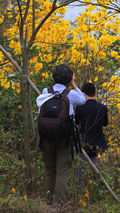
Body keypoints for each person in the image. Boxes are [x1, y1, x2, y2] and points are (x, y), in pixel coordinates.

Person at [35, 64, 85, 208]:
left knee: (49, 170)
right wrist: (74, 83)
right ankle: (60, 205)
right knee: (62, 170)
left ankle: (48, 203)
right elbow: (82, 100)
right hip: (64, 137)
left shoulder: (46, 91)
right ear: (69, 78)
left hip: (46, 136)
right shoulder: (70, 94)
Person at [74, 82, 108, 181]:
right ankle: (97, 192)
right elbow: (105, 123)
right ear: (96, 93)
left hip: (83, 144)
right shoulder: (103, 108)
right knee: (98, 172)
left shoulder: (80, 107)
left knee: (80, 171)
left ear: (83, 93)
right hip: (98, 143)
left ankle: (78, 191)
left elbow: (76, 122)